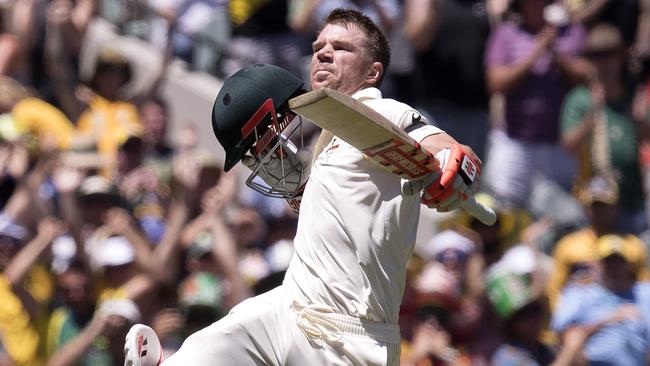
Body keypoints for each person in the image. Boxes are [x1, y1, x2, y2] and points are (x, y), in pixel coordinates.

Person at [125, 8, 483, 366]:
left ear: (373, 72)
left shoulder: (384, 111)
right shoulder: (324, 138)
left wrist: (454, 160)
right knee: (214, 342)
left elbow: (433, 141)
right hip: (293, 304)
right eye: (317, 46)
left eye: (341, 48)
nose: (324, 52)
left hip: (350, 333)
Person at [551, 234, 650, 365]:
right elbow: (568, 336)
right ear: (596, 265)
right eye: (608, 263)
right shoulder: (580, 293)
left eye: (618, 262)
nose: (614, 269)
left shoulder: (643, 292)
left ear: (627, 264)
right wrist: (608, 320)